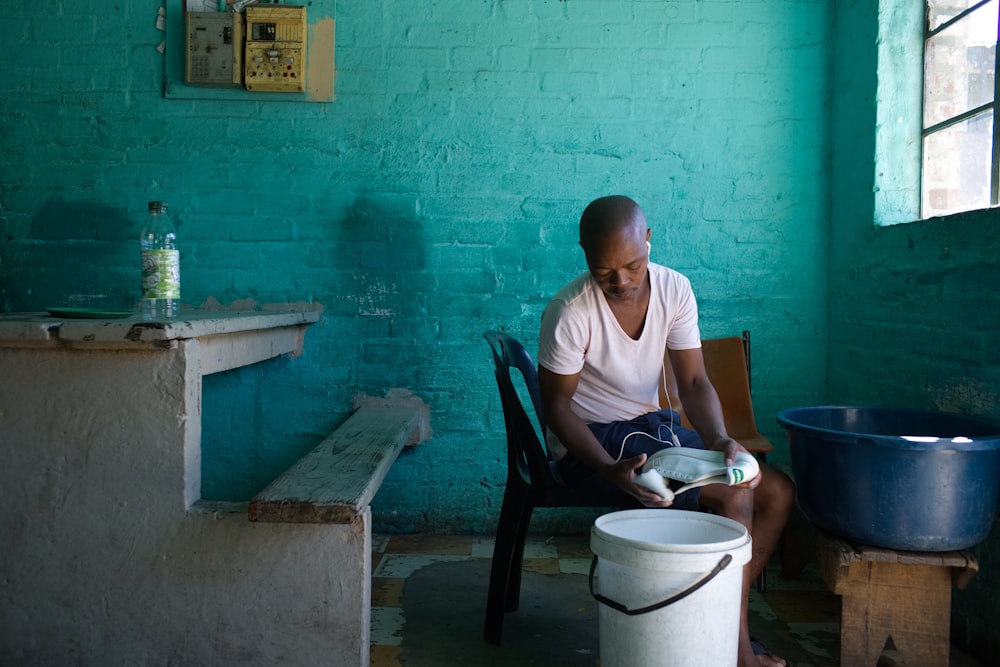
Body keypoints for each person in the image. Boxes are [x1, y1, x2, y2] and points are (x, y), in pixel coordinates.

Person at [537, 195, 794, 667]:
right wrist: (608, 468)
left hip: (653, 431)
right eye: (604, 270)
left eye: (632, 264)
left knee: (775, 491)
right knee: (734, 495)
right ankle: (736, 651)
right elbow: (556, 407)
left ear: (649, 240)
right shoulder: (570, 311)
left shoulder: (675, 290)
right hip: (593, 442)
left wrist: (719, 438)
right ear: (584, 254)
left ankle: (710, 621)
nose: (621, 281)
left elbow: (694, 382)